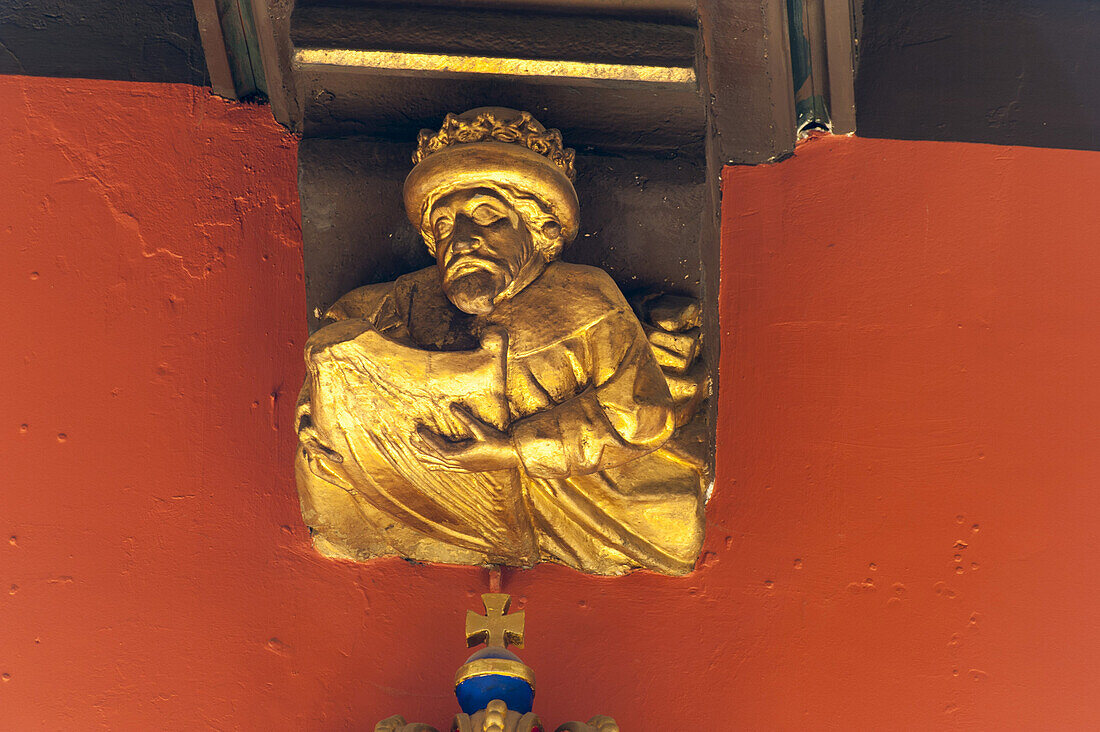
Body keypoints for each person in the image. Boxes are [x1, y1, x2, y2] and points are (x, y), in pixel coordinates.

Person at [295, 108, 705, 575]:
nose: (462, 239)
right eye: (445, 225)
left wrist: (514, 451)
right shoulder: (401, 298)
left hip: (580, 506)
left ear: (539, 230)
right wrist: (317, 415)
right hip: (423, 496)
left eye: (487, 216)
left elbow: (639, 414)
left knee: (668, 518)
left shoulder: (586, 297)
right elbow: (334, 363)